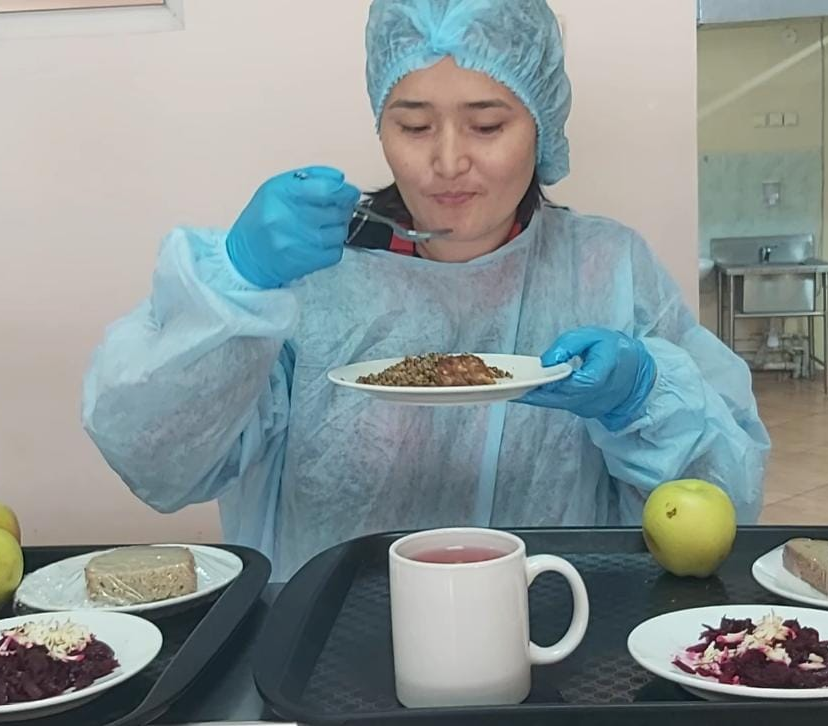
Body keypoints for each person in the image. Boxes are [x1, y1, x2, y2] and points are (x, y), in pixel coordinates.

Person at [82, 0, 770, 578]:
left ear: (542, 126)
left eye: (487, 125)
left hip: (556, 627)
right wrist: (237, 281)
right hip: (327, 638)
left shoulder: (606, 269)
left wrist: (644, 397)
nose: (447, 161)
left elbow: (721, 509)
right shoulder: (310, 279)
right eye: (413, 125)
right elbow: (155, 462)